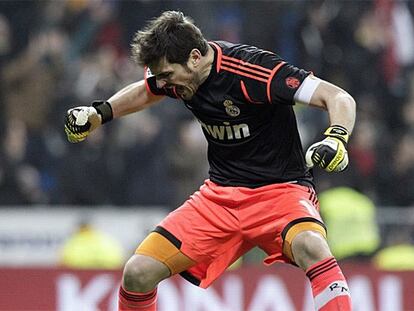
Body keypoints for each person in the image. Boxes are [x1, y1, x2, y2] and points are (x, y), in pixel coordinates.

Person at [64, 11, 356, 311]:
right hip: (219, 198)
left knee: (313, 247)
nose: (164, 85)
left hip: (280, 192)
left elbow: (338, 97)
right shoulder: (176, 75)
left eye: (166, 76)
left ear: (194, 57)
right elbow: (146, 90)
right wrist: (101, 113)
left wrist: (336, 137)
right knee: (137, 273)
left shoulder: (252, 70)